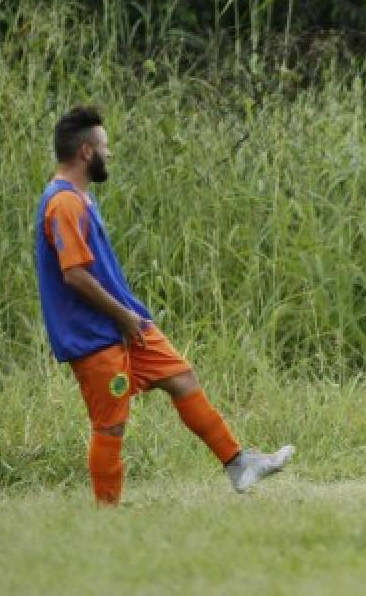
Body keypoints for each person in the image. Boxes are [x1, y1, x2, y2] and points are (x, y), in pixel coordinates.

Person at [33, 106, 294, 505]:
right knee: (110, 425)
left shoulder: (81, 199)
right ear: (87, 152)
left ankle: (239, 464)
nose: (110, 154)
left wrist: (128, 316)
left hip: (125, 325)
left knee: (181, 377)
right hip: (95, 334)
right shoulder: (63, 203)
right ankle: (107, 514)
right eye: (105, 146)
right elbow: (75, 276)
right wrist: (122, 315)